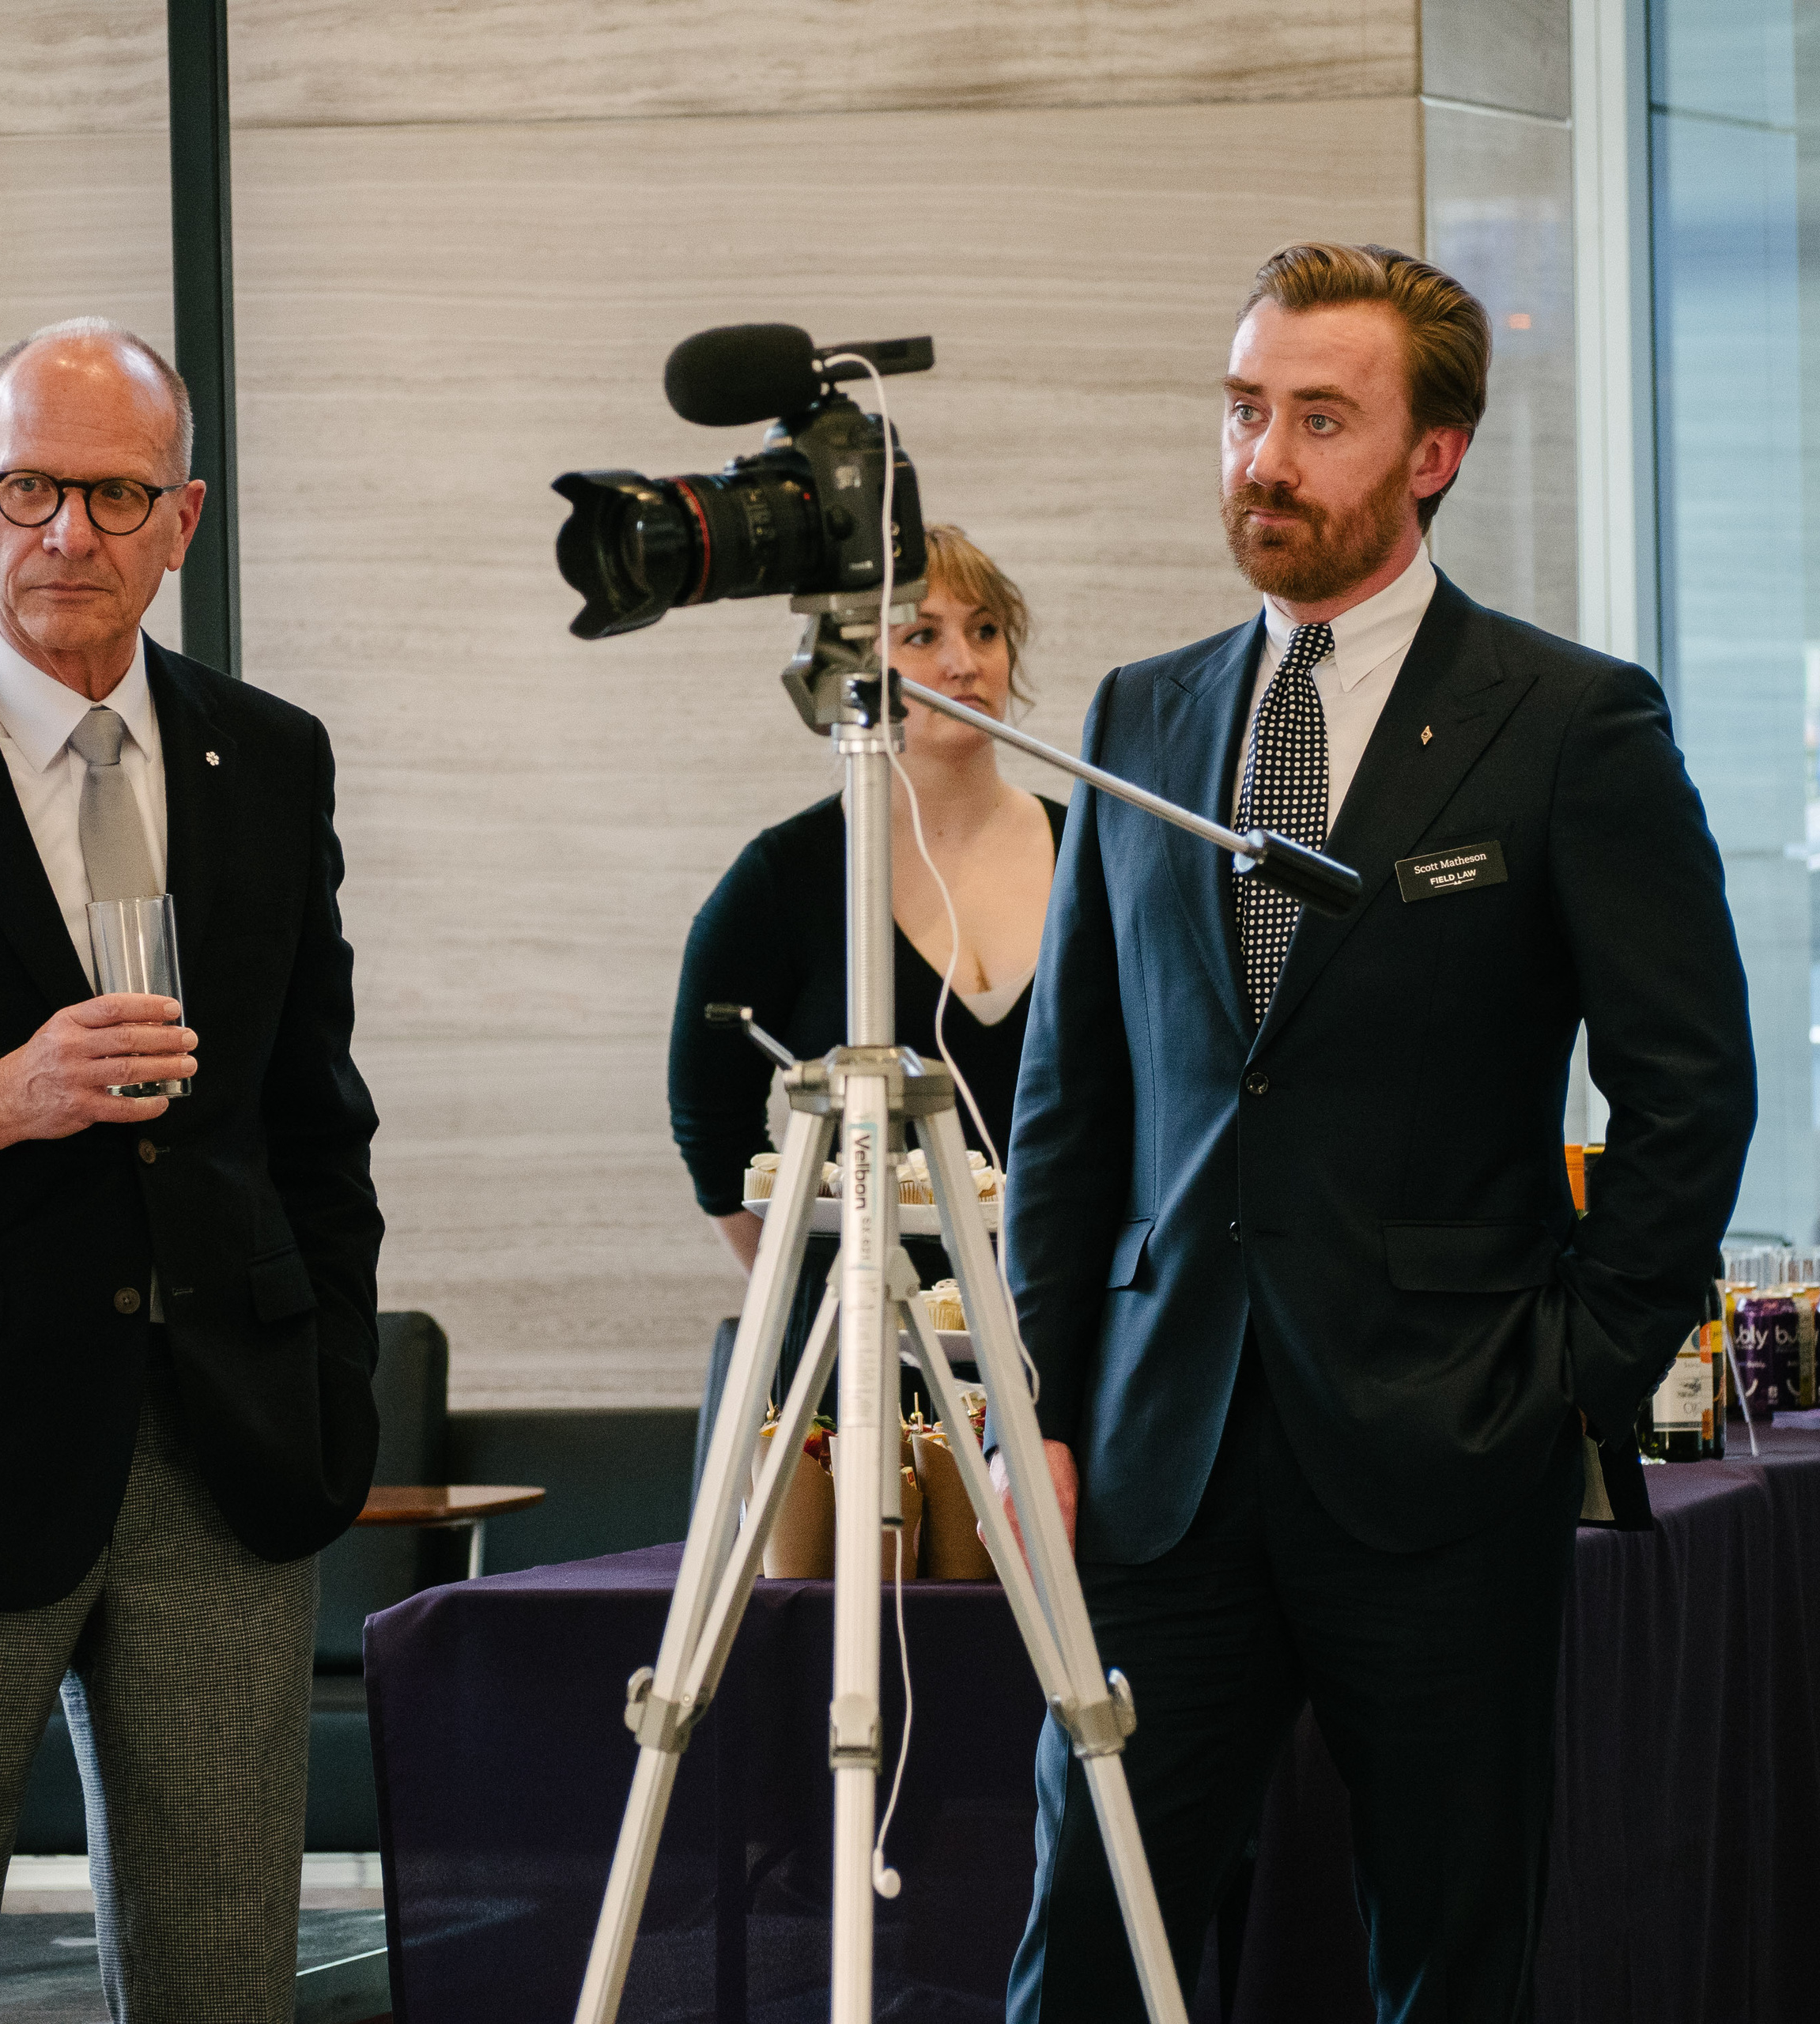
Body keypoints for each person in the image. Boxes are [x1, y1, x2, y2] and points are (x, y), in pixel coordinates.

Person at [995, 243, 1758, 2022]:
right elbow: (1069, 1104)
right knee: (1087, 1928)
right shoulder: (1139, 714)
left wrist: (1577, 1370)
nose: (1260, 456)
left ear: (1432, 456)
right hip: (1160, 1459)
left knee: (1443, 1947)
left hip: (1442, 1446)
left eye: (1317, 418)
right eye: (1244, 407)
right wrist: (1040, 1401)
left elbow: (1684, 1083)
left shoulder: (1569, 722)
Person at [0, 319, 382, 2022]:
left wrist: (332, 1398)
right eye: (29, 486)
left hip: (225, 1460)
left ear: (186, 517)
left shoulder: (272, 753)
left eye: (113, 492)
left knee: (226, 1981)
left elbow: (316, 1117)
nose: (66, 532)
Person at [668, 524, 1063, 1401]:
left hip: (1072, 1347)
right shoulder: (783, 879)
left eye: (986, 629)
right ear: (853, 673)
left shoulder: (1098, 857)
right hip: (860, 1366)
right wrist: (815, 1297)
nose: (966, 663)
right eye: (922, 635)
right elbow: (711, 1126)